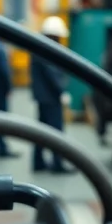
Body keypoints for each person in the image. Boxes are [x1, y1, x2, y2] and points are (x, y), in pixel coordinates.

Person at [30, 16, 75, 173]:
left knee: (42, 131)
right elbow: (52, 74)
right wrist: (61, 92)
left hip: (43, 97)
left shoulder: (39, 47)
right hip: (50, 98)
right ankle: (57, 164)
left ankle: (39, 162)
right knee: (56, 131)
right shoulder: (46, 49)